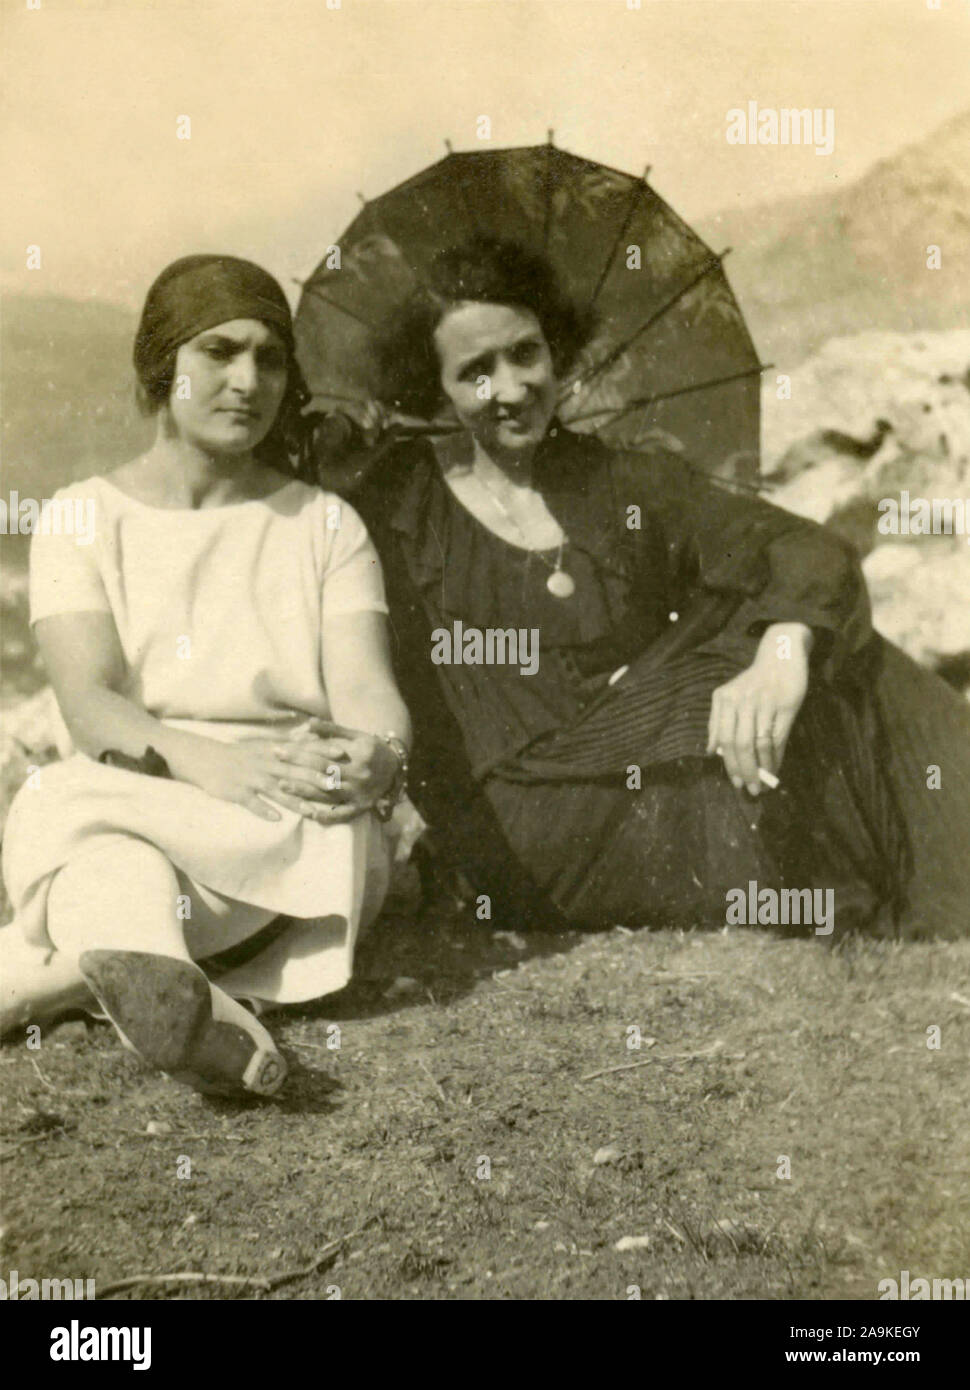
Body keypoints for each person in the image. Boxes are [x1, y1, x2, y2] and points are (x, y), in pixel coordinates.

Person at [314, 236, 970, 938]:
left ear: (555, 348)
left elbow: (799, 544)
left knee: (820, 650)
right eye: (475, 371)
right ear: (434, 388)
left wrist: (782, 652)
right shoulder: (400, 504)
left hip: (638, 766)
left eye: (525, 353)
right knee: (776, 687)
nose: (511, 388)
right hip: (517, 821)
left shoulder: (621, 481)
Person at [0, 254, 411, 1096]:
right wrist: (210, 763)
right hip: (144, 782)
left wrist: (379, 757)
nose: (248, 380)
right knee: (81, 819)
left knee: (107, 872)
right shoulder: (82, 517)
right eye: (219, 353)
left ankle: (53, 987)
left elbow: (368, 693)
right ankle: (204, 1025)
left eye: (269, 357)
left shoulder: (325, 526)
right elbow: (91, 705)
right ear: (162, 366)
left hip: (283, 810)